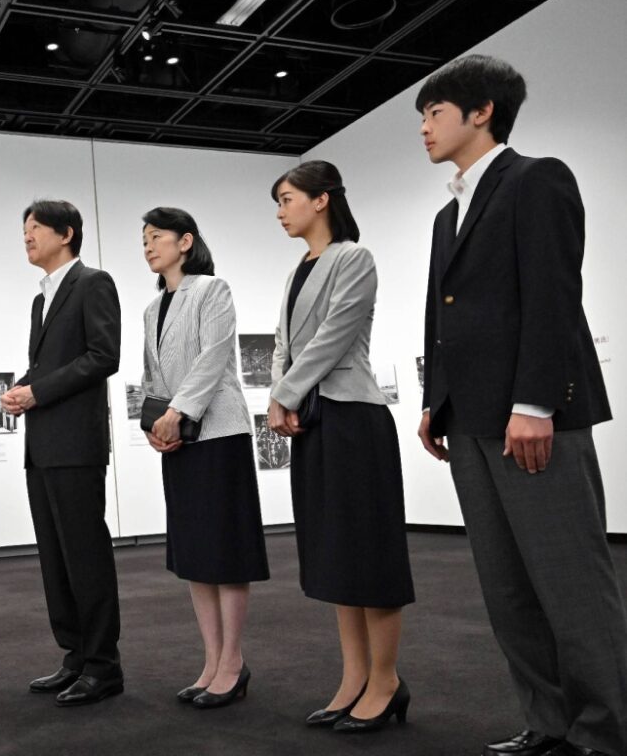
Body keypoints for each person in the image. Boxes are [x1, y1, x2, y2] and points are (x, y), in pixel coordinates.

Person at [416, 54, 626, 756]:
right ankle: (550, 722)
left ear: (481, 111)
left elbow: (551, 296)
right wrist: (432, 399)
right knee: (507, 590)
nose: (424, 126)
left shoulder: (536, 178)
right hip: (469, 418)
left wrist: (535, 403)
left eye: (434, 112)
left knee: (570, 585)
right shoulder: (452, 211)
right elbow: (441, 312)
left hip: (532, 417)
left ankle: (606, 732)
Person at [268, 161, 415, 733]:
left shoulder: (354, 257)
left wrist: (283, 393)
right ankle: (354, 677)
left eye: (287, 199)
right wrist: (282, 400)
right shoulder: (296, 270)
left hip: (353, 417)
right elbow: (283, 342)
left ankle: (387, 680)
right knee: (333, 553)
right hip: (312, 419)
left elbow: (337, 333)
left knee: (368, 554)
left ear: (322, 199)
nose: (281, 211)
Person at [139, 207, 269, 709]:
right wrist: (153, 424)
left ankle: (233, 662)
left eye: (157, 237)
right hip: (177, 437)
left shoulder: (212, 289)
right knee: (195, 552)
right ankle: (211, 660)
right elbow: (149, 374)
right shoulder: (153, 308)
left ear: (185, 241)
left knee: (225, 549)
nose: (148, 246)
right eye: (144, 239)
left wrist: (177, 411)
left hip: (217, 431)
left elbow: (214, 357)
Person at [0, 199, 124, 707]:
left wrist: (39, 391)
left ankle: (103, 666)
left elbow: (103, 356)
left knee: (85, 556)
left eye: (35, 229)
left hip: (76, 444)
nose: (26, 237)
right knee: (55, 559)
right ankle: (74, 657)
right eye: (23, 229)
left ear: (65, 233)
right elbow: (50, 363)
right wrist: (21, 387)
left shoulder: (93, 282)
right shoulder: (41, 299)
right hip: (43, 445)